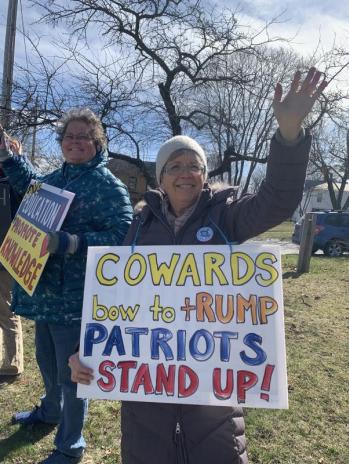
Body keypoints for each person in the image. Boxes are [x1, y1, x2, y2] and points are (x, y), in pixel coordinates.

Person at [69, 67, 328, 464]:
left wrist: (289, 136)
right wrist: (84, 351)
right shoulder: (138, 227)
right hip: (146, 401)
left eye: (194, 166)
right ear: (161, 178)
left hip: (213, 401)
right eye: (174, 166)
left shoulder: (226, 217)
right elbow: (111, 301)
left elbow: (277, 199)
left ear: (205, 175)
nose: (185, 173)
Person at [0, 108, 133, 464]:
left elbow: (121, 236)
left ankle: (70, 446)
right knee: (46, 361)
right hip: (44, 293)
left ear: (97, 143)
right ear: (61, 143)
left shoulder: (108, 185)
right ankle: (50, 411)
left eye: (83, 137)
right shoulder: (57, 177)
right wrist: (7, 156)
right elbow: (30, 186)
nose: (74, 142)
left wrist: (69, 242)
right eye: (69, 136)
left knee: (73, 375)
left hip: (78, 298)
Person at [0, 137, 24, 387]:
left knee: (7, 310)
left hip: (7, 255)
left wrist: (17, 158)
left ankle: (13, 362)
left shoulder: (14, 182)